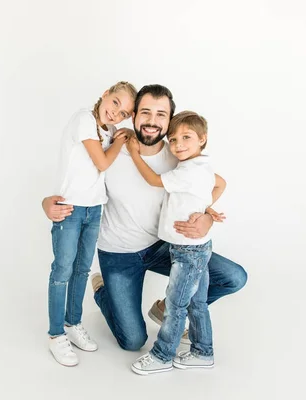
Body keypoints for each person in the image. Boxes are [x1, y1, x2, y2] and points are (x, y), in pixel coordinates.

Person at [41, 84, 247, 364]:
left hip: (165, 246)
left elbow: (211, 184)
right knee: (133, 341)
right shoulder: (111, 147)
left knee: (233, 277)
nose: (152, 121)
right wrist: (47, 201)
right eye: (145, 112)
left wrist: (207, 216)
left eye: (161, 114)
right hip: (119, 254)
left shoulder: (178, 154)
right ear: (134, 115)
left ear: (169, 120)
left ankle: (171, 307)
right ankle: (102, 289)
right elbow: (75, 175)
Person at [127, 111, 225, 375]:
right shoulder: (200, 165)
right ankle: (203, 352)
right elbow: (221, 184)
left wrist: (135, 153)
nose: (178, 144)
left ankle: (162, 356)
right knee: (197, 303)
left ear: (202, 139)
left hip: (187, 251)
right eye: (173, 139)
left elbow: (153, 180)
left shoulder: (189, 171)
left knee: (176, 304)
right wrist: (204, 207)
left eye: (186, 137)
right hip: (197, 248)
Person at [47, 81, 137, 367]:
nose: (116, 115)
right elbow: (101, 162)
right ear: (106, 93)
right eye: (115, 104)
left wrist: (123, 135)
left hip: (94, 209)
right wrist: (122, 140)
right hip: (70, 208)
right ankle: (56, 334)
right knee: (62, 271)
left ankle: (73, 323)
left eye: (124, 114)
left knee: (83, 270)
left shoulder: (108, 130)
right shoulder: (84, 119)